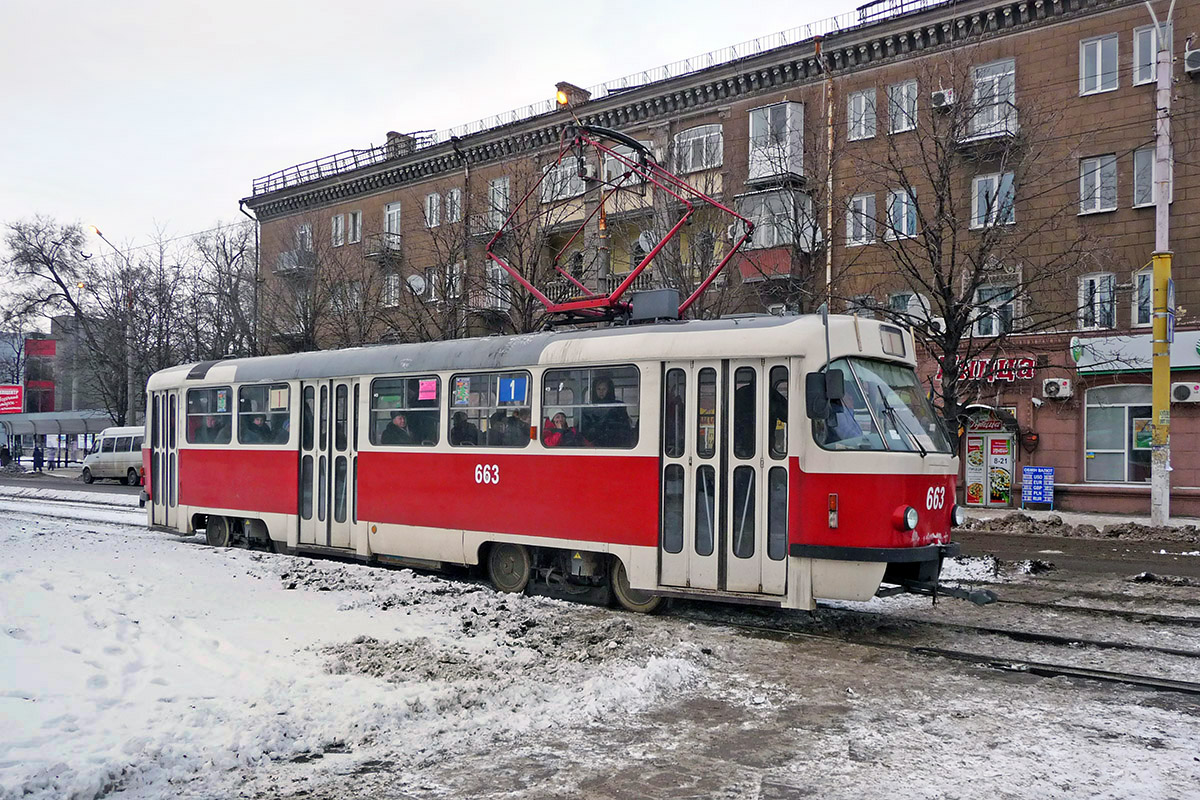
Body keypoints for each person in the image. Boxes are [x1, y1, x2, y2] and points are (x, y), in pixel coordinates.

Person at [582, 375, 632, 447]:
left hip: (615, 444)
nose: (601, 392)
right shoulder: (588, 408)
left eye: (604, 389)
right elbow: (586, 431)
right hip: (595, 445)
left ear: (609, 390)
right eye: (598, 389)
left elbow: (624, 428)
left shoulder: (618, 407)